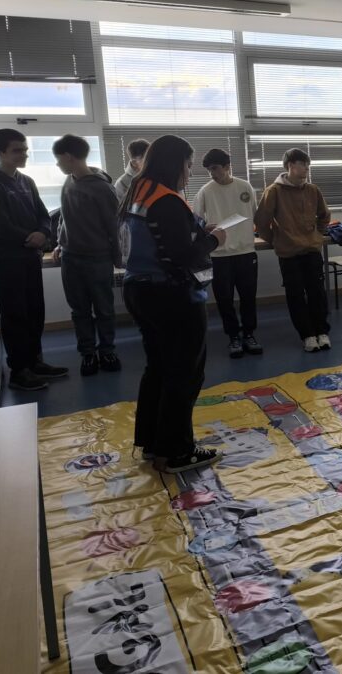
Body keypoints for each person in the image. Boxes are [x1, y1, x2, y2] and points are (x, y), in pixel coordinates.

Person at [121, 135, 226, 472]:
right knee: (184, 372)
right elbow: (182, 255)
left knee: (159, 368)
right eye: (189, 164)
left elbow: (158, 237)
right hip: (171, 296)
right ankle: (179, 450)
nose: (190, 172)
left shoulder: (138, 191)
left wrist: (194, 228)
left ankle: (154, 443)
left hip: (139, 288)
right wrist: (213, 239)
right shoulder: (166, 199)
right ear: (175, 162)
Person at [0, 128, 67, 392]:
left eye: (25, 149)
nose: (24, 154)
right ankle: (19, 370)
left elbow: (43, 214)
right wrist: (32, 237)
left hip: (30, 256)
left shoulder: (26, 181)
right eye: (17, 150)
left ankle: (34, 361)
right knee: (15, 313)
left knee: (34, 311)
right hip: (8, 259)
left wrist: (44, 232)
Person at [52, 134, 122, 376]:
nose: (57, 164)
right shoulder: (68, 182)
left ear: (69, 157)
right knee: (79, 310)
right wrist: (60, 243)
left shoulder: (102, 188)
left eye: (59, 159)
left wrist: (117, 258)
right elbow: (64, 216)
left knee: (104, 308)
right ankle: (88, 354)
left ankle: (107, 351)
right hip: (70, 257)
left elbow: (115, 226)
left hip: (98, 258)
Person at [255, 148, 332, 352]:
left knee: (317, 293)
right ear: (290, 165)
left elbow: (324, 215)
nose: (307, 167)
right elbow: (261, 221)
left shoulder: (312, 190)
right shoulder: (274, 191)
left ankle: (322, 332)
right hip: (288, 253)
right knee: (295, 294)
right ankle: (307, 335)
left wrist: (318, 234)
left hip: (311, 250)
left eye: (308, 164)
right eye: (302, 163)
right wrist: (276, 240)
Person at [193, 148, 262, 359]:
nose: (212, 173)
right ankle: (233, 336)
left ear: (226, 166)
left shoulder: (245, 187)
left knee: (248, 297)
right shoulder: (205, 191)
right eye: (208, 170)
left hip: (245, 251)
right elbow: (195, 221)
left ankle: (249, 334)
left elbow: (255, 213)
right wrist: (205, 226)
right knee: (225, 300)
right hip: (219, 255)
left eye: (214, 168)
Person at [114, 138, 150, 202]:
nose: (151, 161)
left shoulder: (156, 176)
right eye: (146, 159)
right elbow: (118, 209)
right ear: (134, 162)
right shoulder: (122, 184)